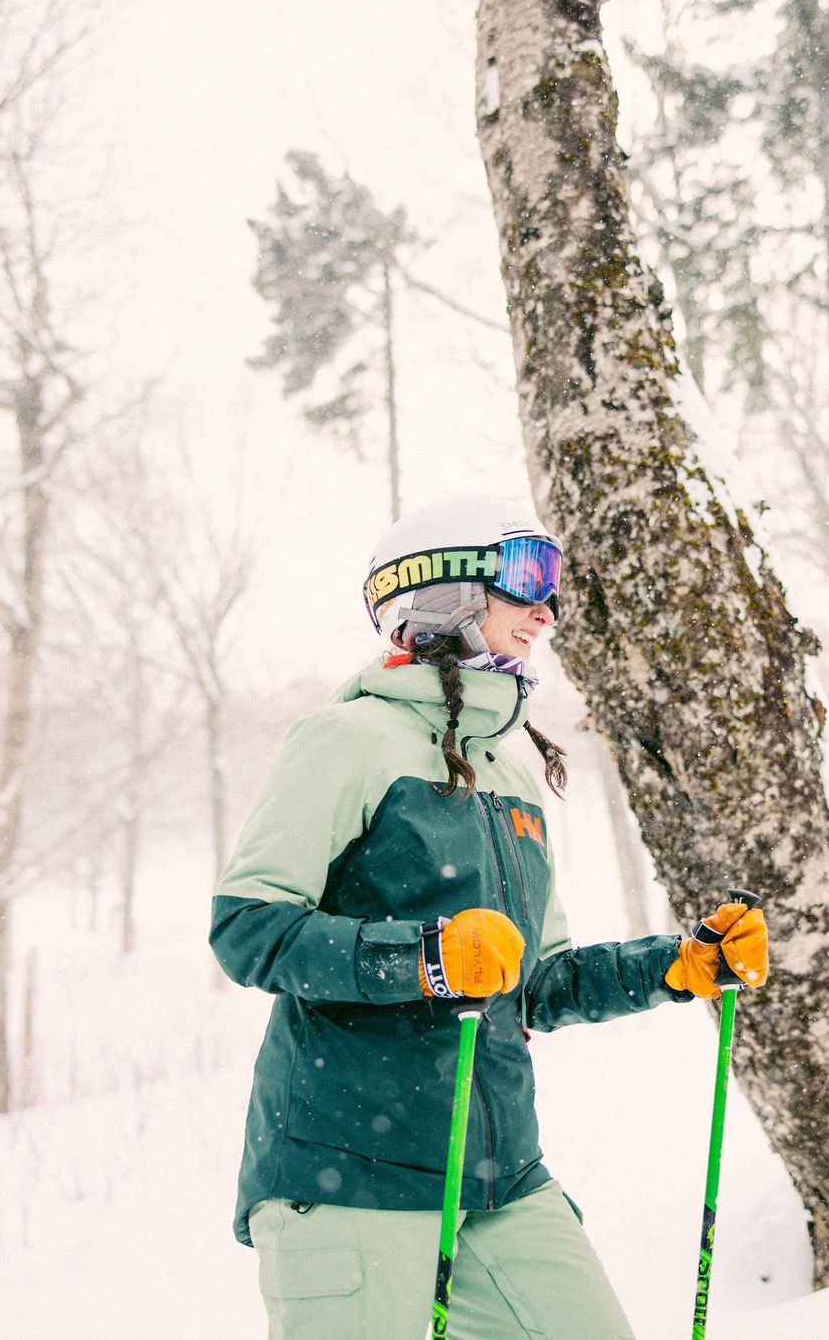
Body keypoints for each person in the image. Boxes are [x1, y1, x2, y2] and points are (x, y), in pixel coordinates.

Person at [210, 496, 769, 1339]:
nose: (546, 609)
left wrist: (676, 965)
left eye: (552, 583)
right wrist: (425, 959)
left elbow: (535, 981)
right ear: (442, 596)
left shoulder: (506, 768)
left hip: (498, 1175)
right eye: (524, 577)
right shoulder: (348, 739)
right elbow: (247, 927)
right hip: (349, 1174)